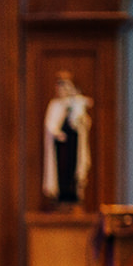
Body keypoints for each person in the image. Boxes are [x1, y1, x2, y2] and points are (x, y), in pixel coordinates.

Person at [42, 71, 92, 204]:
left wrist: (78, 117)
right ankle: (61, 196)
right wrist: (56, 133)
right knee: (61, 173)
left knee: (73, 171)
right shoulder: (55, 105)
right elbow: (50, 124)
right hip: (60, 147)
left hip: (73, 145)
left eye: (65, 86)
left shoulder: (75, 103)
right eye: (60, 86)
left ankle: (73, 195)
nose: (62, 89)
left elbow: (84, 123)